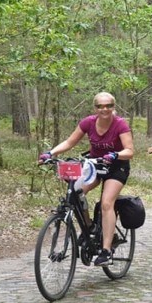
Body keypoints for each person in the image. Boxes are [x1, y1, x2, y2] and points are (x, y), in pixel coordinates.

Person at [38, 92, 134, 266]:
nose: (104, 109)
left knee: (106, 203)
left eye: (108, 106)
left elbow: (129, 151)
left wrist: (115, 154)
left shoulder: (120, 124)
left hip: (116, 166)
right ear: (94, 108)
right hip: (94, 165)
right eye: (100, 106)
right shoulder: (88, 123)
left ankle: (106, 251)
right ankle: (89, 226)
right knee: (75, 191)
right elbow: (69, 142)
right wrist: (50, 153)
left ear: (113, 107)